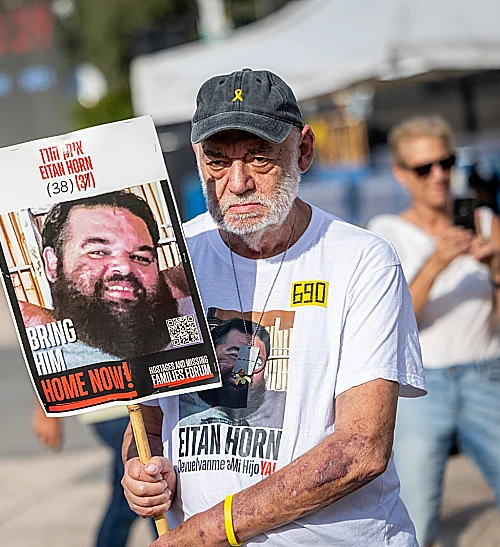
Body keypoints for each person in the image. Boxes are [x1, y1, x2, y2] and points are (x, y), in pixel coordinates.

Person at [120, 68, 426, 546]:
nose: (237, 183)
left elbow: (361, 449)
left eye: (259, 158)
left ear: (303, 150)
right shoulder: (173, 259)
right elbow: (151, 418)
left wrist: (207, 531)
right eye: (217, 161)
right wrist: (141, 471)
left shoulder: (361, 260)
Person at [367, 115, 500, 547]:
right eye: (424, 168)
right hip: (422, 388)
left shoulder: (484, 220)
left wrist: (497, 269)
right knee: (415, 519)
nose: (439, 175)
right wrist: (438, 262)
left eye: (446, 162)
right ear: (401, 174)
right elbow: (392, 318)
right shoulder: (385, 232)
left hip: (487, 375)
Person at [21, 191, 197, 369]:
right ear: (53, 264)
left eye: (140, 257)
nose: (125, 267)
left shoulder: (189, 320)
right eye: (98, 252)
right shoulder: (34, 358)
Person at [32, 404, 158, 547]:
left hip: (138, 407)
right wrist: (45, 410)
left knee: (142, 494)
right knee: (148, 493)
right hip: (114, 410)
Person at [179, 317, 286, 429]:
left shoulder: (285, 409)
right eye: (234, 355)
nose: (244, 371)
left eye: (256, 362)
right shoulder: (180, 406)